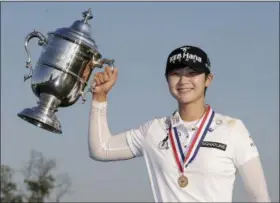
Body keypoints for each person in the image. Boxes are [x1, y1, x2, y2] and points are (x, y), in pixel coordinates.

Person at [87, 45, 271, 202]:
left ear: (208, 79)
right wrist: (99, 97)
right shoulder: (154, 130)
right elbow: (101, 148)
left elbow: (259, 196)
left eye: (192, 73)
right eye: (176, 74)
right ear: (167, 80)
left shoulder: (232, 129)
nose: (183, 81)